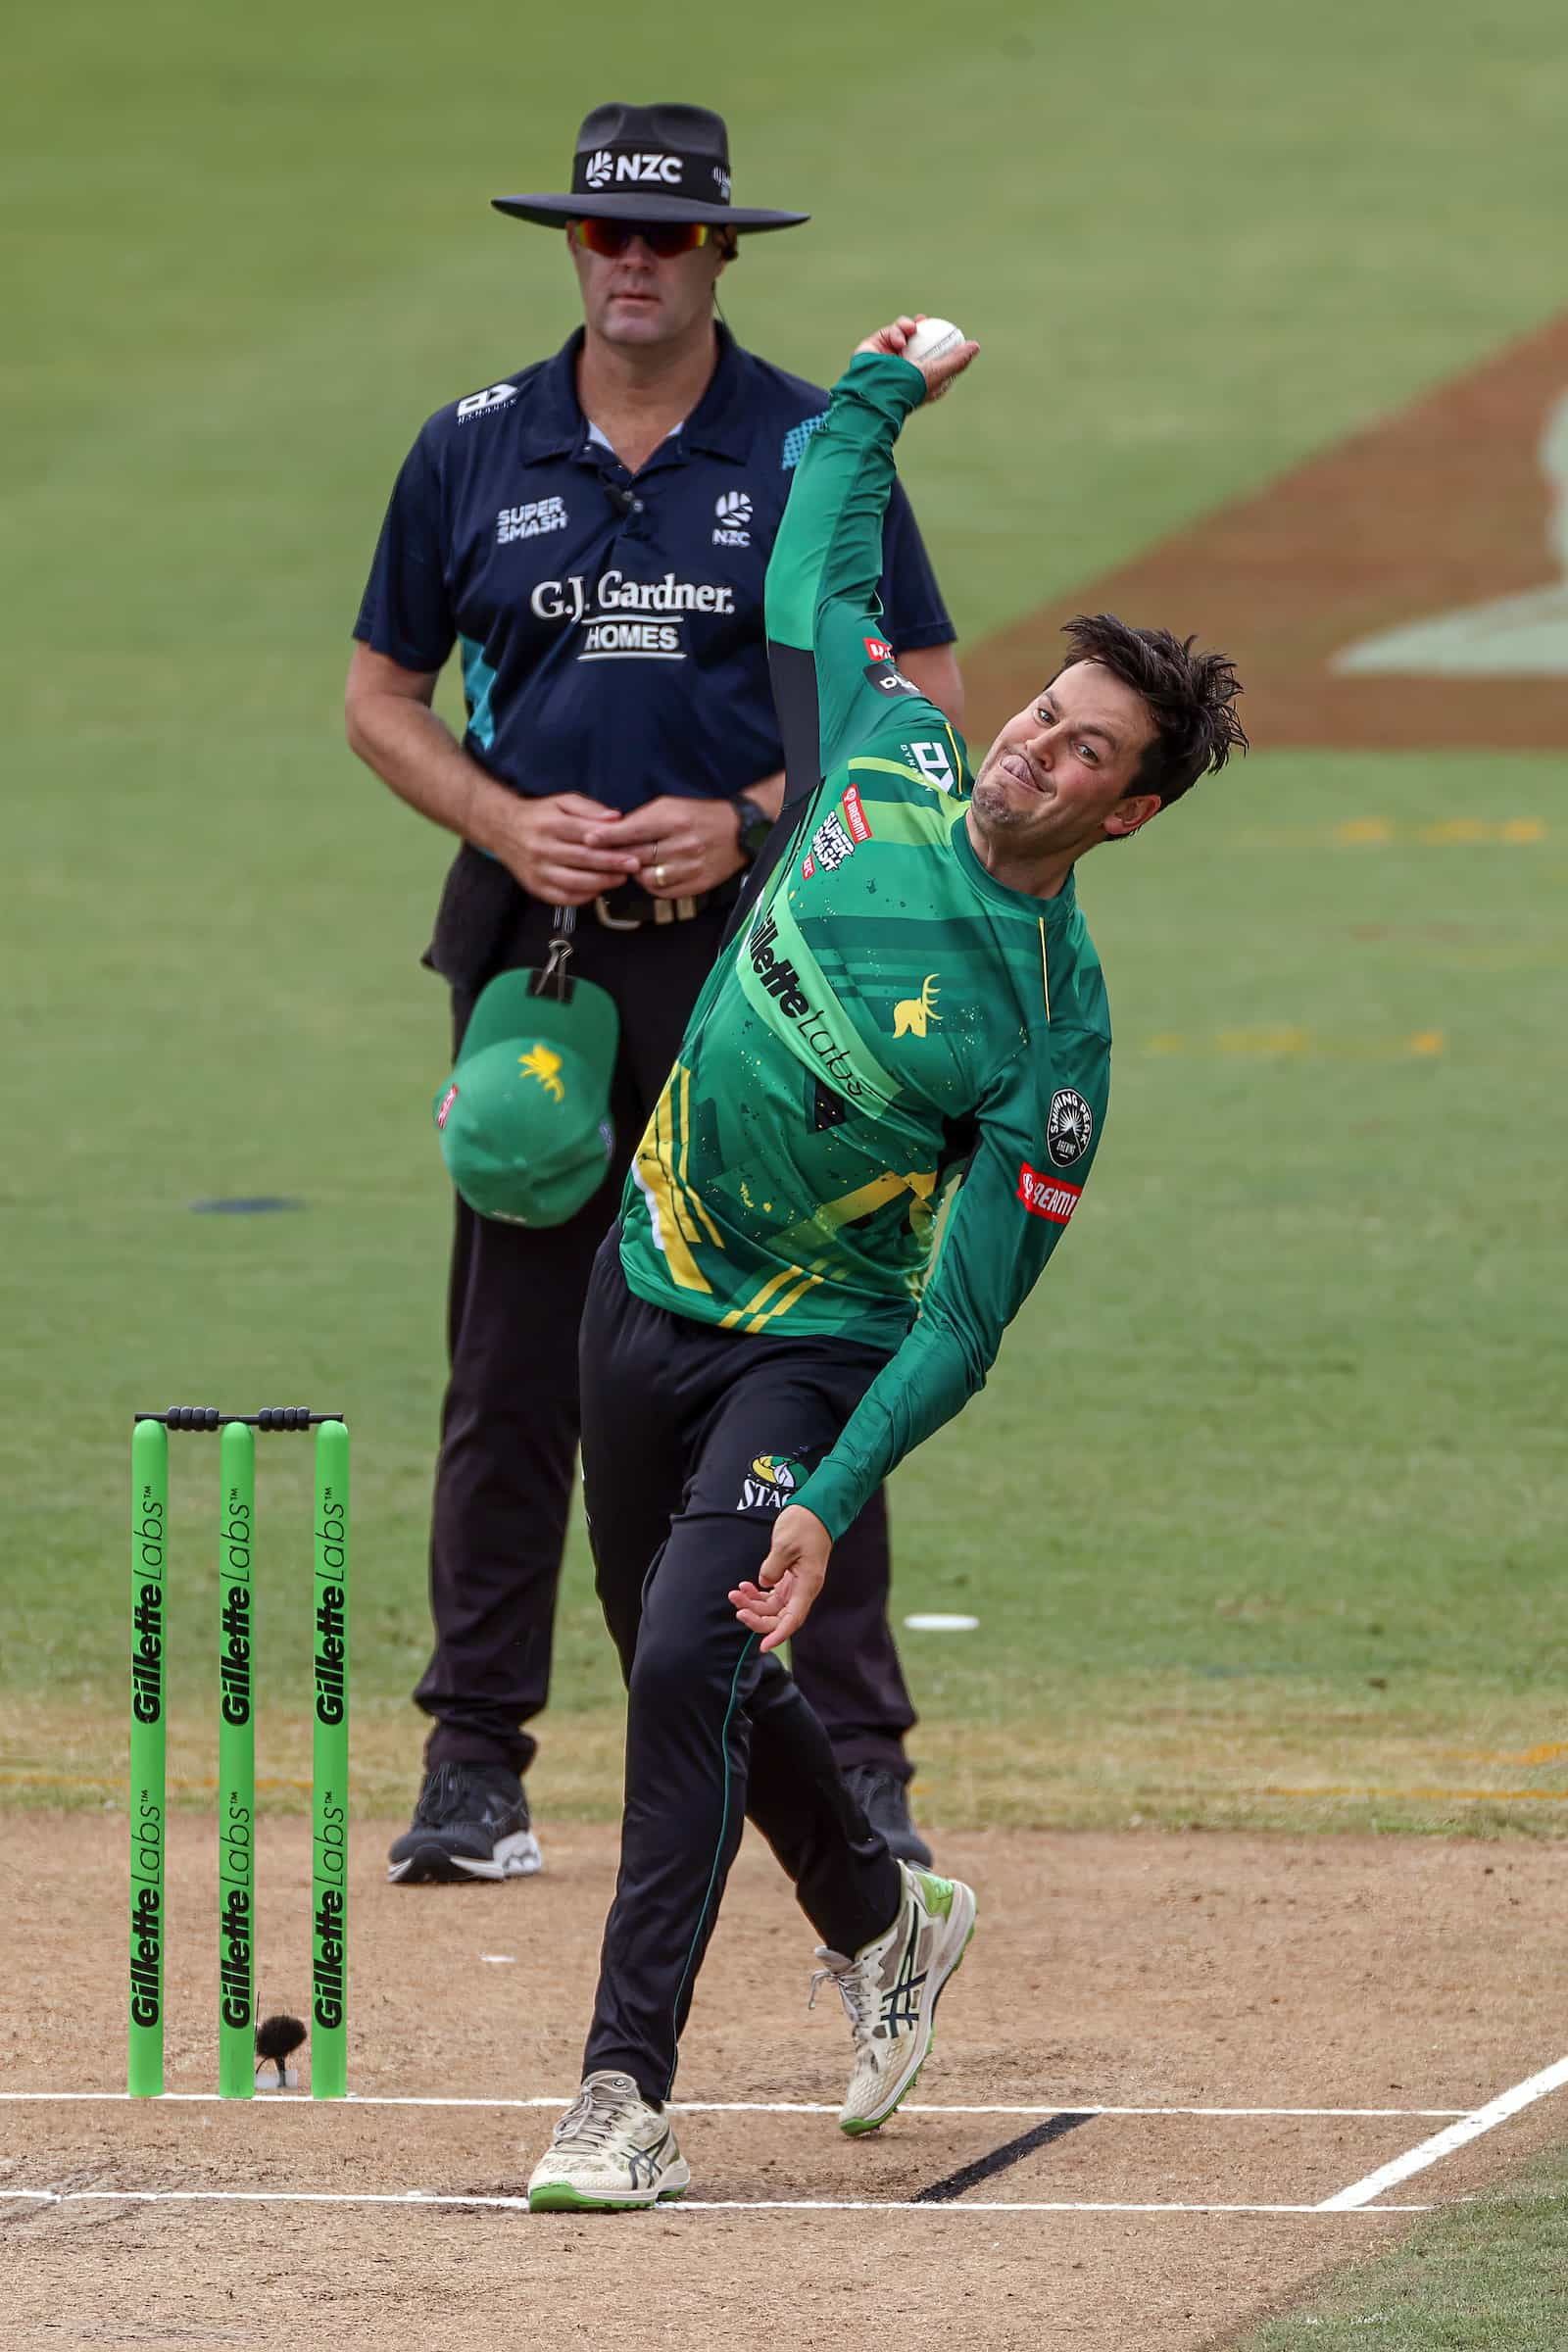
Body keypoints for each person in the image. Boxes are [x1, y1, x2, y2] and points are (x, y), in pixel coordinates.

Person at [524, 316, 1248, 2210]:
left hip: (811, 1349)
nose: (1036, 748)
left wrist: (832, 1501)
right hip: (643, 1274)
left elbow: (966, 1324)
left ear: (1129, 811)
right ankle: (882, 1916)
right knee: (673, 1663)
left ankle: (621, 2097)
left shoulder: (1051, 1035)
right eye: (1040, 711)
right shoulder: (886, 742)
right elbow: (811, 553)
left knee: (697, 1647)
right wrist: (874, 394)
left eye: (1084, 751)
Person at [346, 104, 963, 1884]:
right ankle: (475, 1766)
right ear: (574, 251)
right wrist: (497, 816)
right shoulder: (471, 446)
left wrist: (757, 820)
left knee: (793, 1344)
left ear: (720, 255)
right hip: (533, 973)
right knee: (515, 1360)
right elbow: (383, 693)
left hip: (767, 968)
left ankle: (854, 1761)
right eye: (607, 237)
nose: (633, 264)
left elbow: (914, 683)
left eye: (668, 240)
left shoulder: (804, 447)